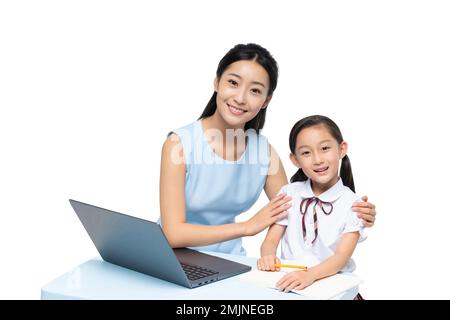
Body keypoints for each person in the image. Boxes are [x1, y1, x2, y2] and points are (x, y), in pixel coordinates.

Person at [159, 43, 376, 256]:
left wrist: (352, 213)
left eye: (255, 90)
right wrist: (248, 226)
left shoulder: (264, 153)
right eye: (233, 83)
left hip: (230, 262)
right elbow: (173, 234)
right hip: (172, 258)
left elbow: (298, 210)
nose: (240, 98)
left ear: (266, 100)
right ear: (217, 83)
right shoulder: (180, 144)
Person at [257, 115, 366, 298]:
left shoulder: (354, 205)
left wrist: (310, 275)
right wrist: (268, 255)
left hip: (334, 287)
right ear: (295, 160)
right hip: (293, 285)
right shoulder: (289, 194)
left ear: (341, 149)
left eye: (325, 148)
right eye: (306, 153)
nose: (317, 160)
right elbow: (270, 241)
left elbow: (341, 258)